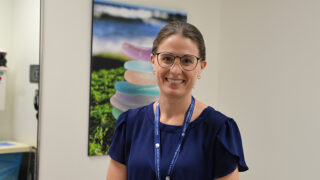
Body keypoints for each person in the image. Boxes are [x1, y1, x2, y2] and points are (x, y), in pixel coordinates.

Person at [107, 21, 248, 180]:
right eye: (167, 58)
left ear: (201, 67)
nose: (175, 70)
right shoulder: (129, 124)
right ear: (153, 62)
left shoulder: (219, 130)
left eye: (187, 61)